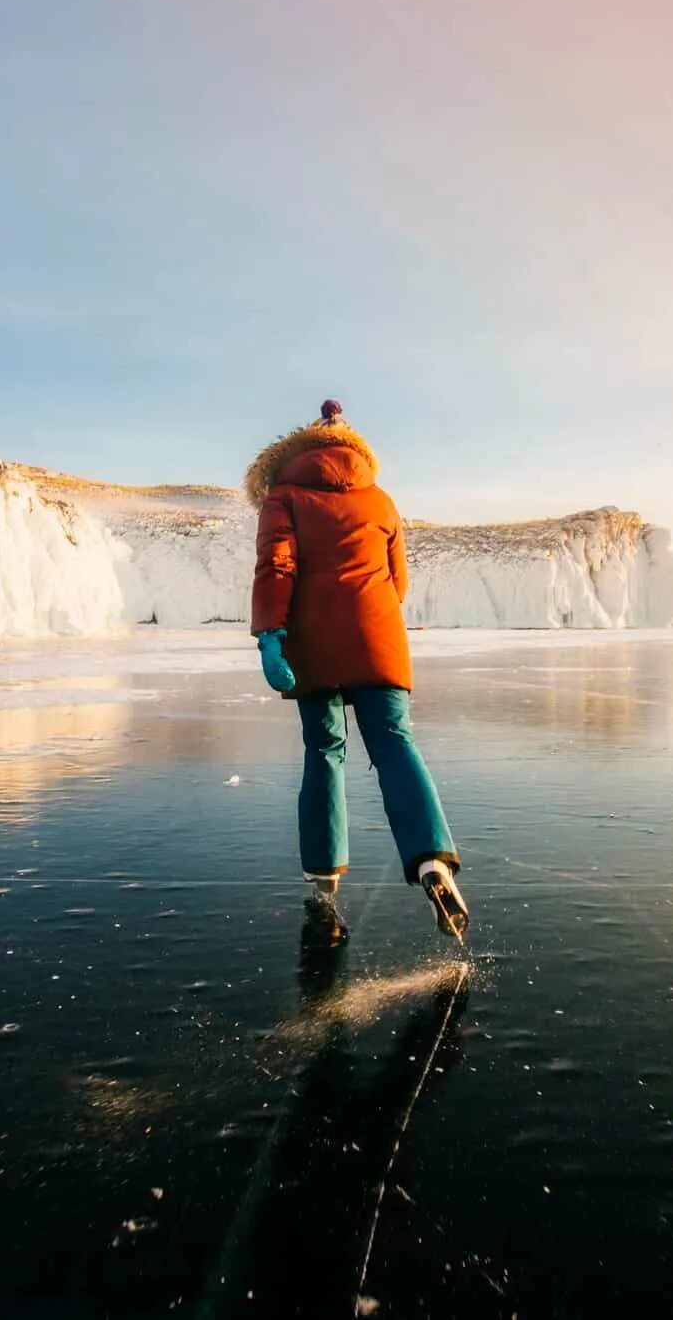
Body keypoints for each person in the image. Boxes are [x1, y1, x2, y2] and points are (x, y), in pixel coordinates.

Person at [247, 399, 468, 940]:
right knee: (394, 742)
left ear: (298, 449)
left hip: (313, 641)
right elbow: (399, 582)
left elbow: (277, 564)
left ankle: (324, 881)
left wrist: (269, 635)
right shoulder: (381, 499)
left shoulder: (284, 495)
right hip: (379, 638)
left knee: (325, 750)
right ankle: (431, 859)